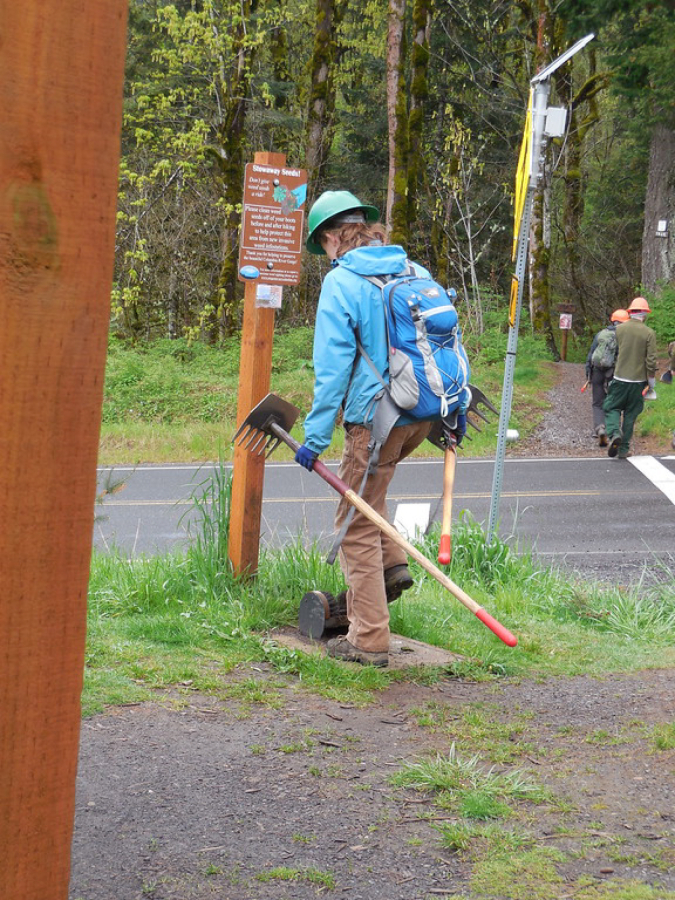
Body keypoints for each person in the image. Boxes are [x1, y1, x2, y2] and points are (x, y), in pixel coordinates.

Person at [294, 190, 468, 668]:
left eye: (323, 246)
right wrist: (457, 406)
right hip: (421, 413)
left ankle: (368, 639)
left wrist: (313, 437)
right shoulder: (414, 271)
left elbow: (332, 369)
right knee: (372, 494)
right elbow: (446, 341)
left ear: (332, 237)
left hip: (375, 419)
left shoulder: (343, 283)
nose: (325, 255)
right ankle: (392, 566)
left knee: (352, 522)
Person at [603, 296, 658, 459]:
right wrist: (651, 382)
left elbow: (613, 352)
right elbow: (651, 360)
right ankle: (623, 449)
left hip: (620, 378)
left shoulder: (619, 330)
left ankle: (614, 433)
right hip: (638, 382)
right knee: (631, 414)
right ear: (645, 314)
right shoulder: (649, 333)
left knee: (611, 407)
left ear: (630, 312)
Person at [585, 309, 630, 446]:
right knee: (614, 403)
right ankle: (613, 432)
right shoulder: (624, 336)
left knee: (598, 402)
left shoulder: (601, 334)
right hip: (614, 373)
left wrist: (588, 375)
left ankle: (600, 428)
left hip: (597, 371)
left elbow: (591, 354)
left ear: (613, 320)